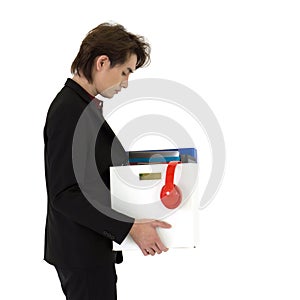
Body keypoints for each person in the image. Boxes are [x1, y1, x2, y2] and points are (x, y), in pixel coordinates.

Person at [43, 22, 171, 300]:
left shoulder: (82, 106)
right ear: (102, 62)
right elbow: (64, 194)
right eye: (125, 72)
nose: (126, 83)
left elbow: (93, 170)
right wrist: (129, 227)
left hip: (90, 249)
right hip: (81, 254)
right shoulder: (70, 110)